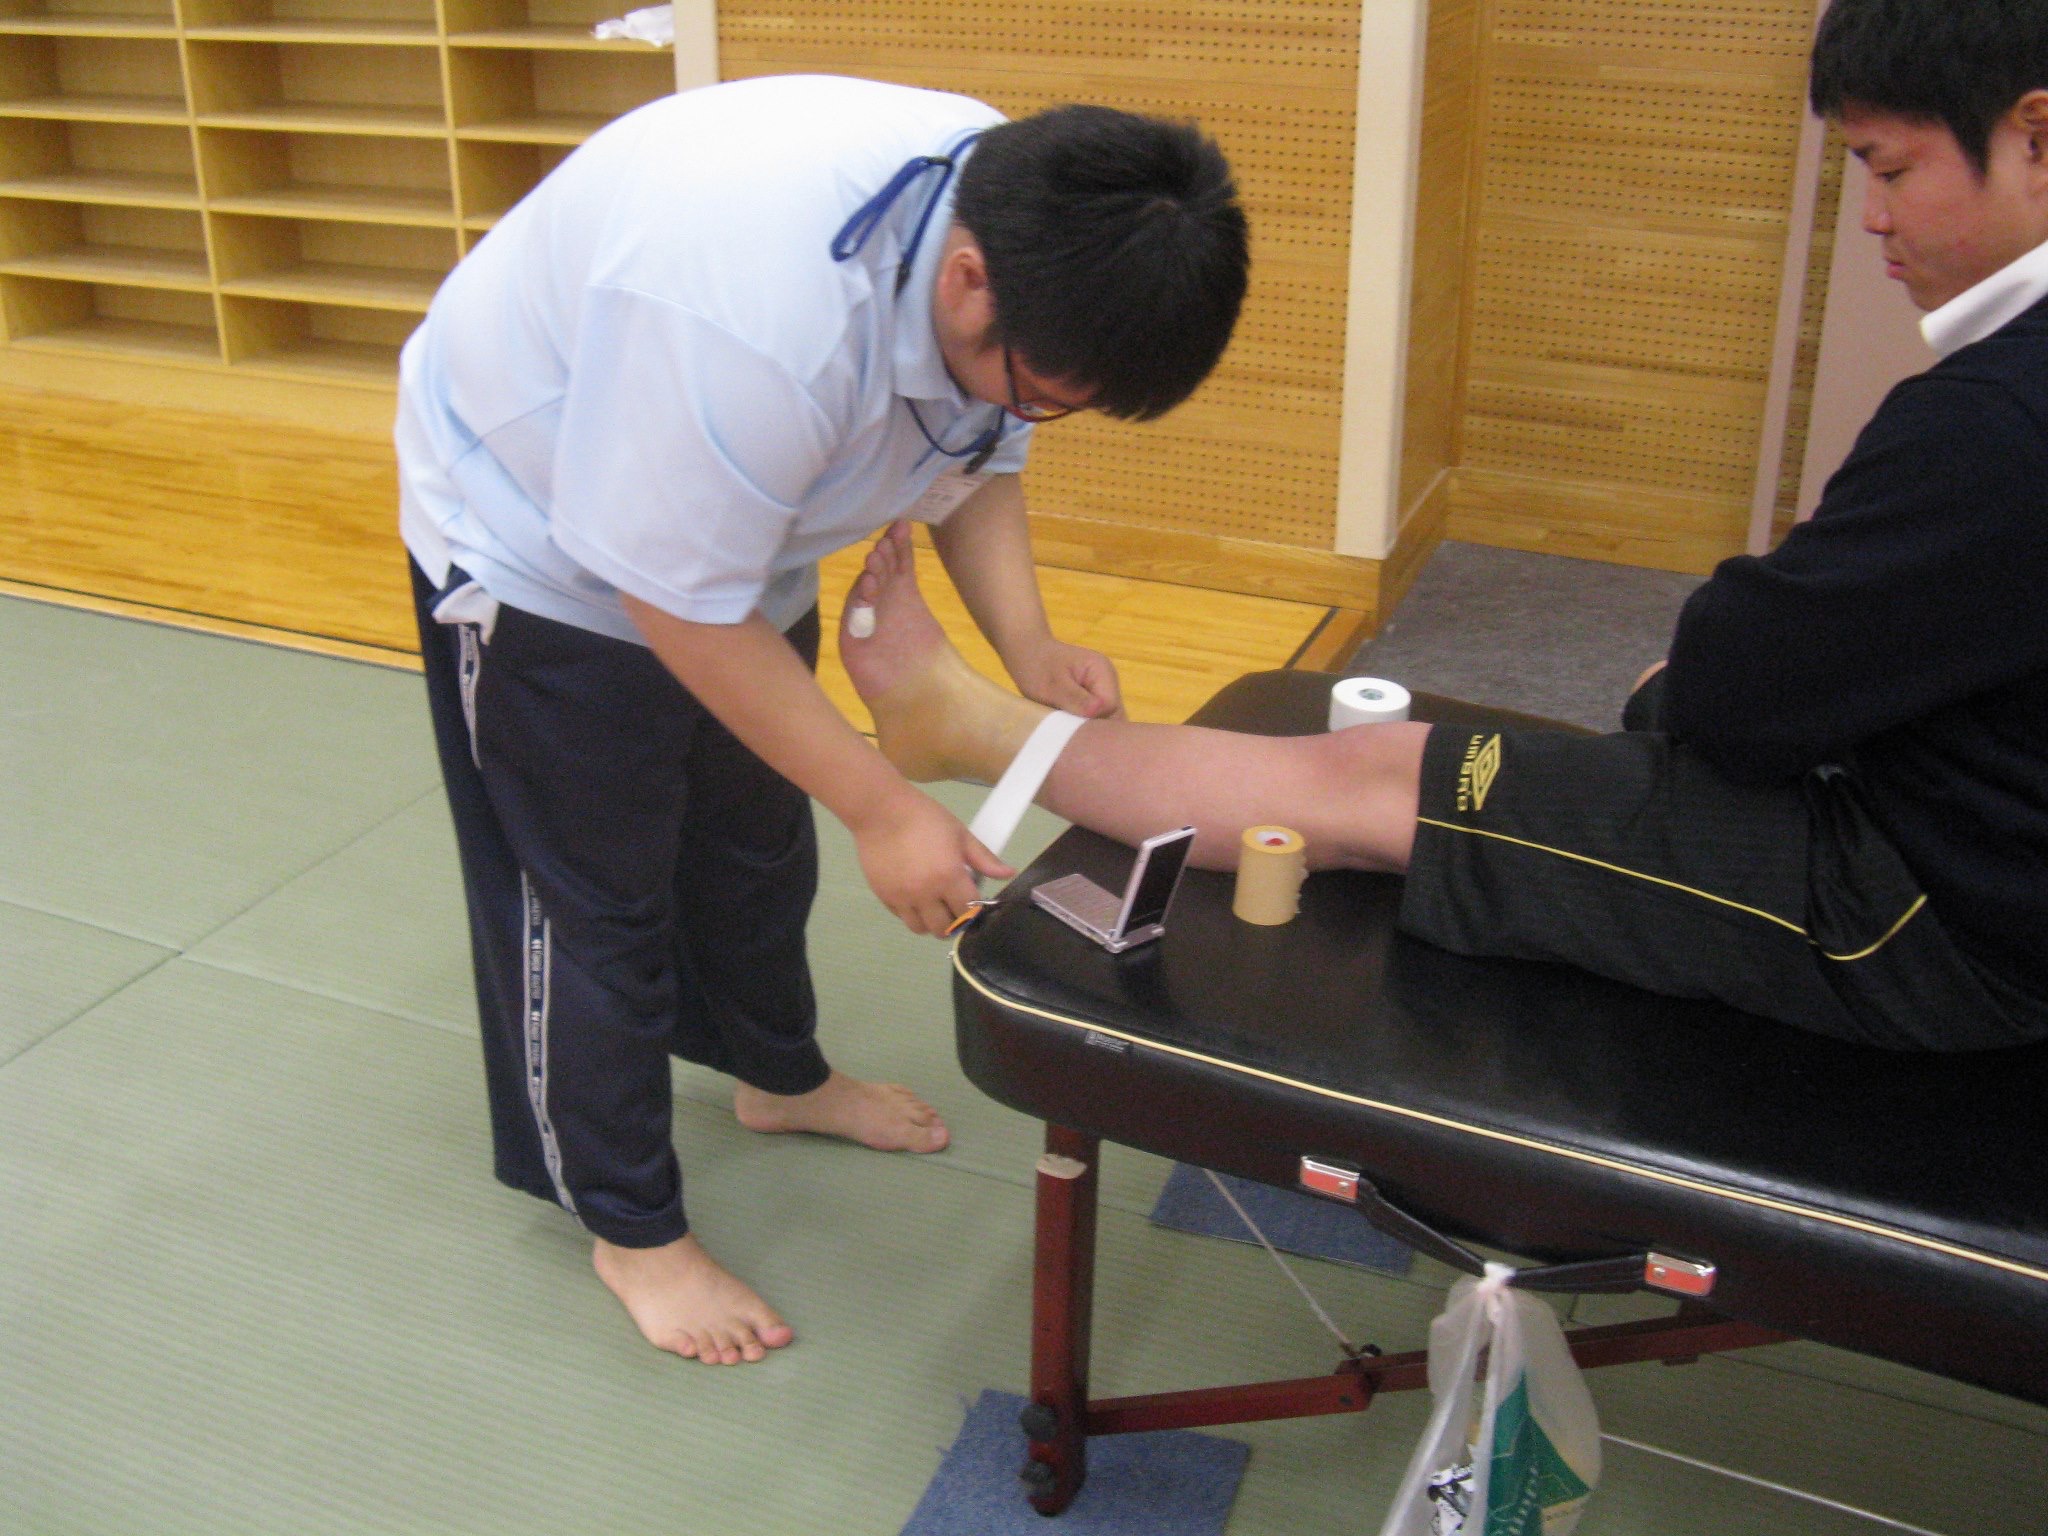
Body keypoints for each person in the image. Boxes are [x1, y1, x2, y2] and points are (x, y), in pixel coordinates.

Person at [841, 0, 2048, 1057]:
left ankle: (972, 726)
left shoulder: (1994, 419)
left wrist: (1699, 679)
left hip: (1927, 917)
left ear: (2032, 135)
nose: (1871, 215)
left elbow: (1733, 696)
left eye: (1889, 169)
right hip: (1966, 856)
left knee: (1373, 780)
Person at [397, 74, 1249, 1365]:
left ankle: (777, 1078)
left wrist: (1027, 646)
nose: (1034, 413)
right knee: (591, 905)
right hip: (536, 542)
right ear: (966, 279)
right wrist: (883, 804)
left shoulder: (1032, 217)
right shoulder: (746, 311)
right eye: (1041, 384)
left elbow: (984, 437)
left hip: (731, 528)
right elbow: (673, 602)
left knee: (748, 840)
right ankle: (628, 1228)